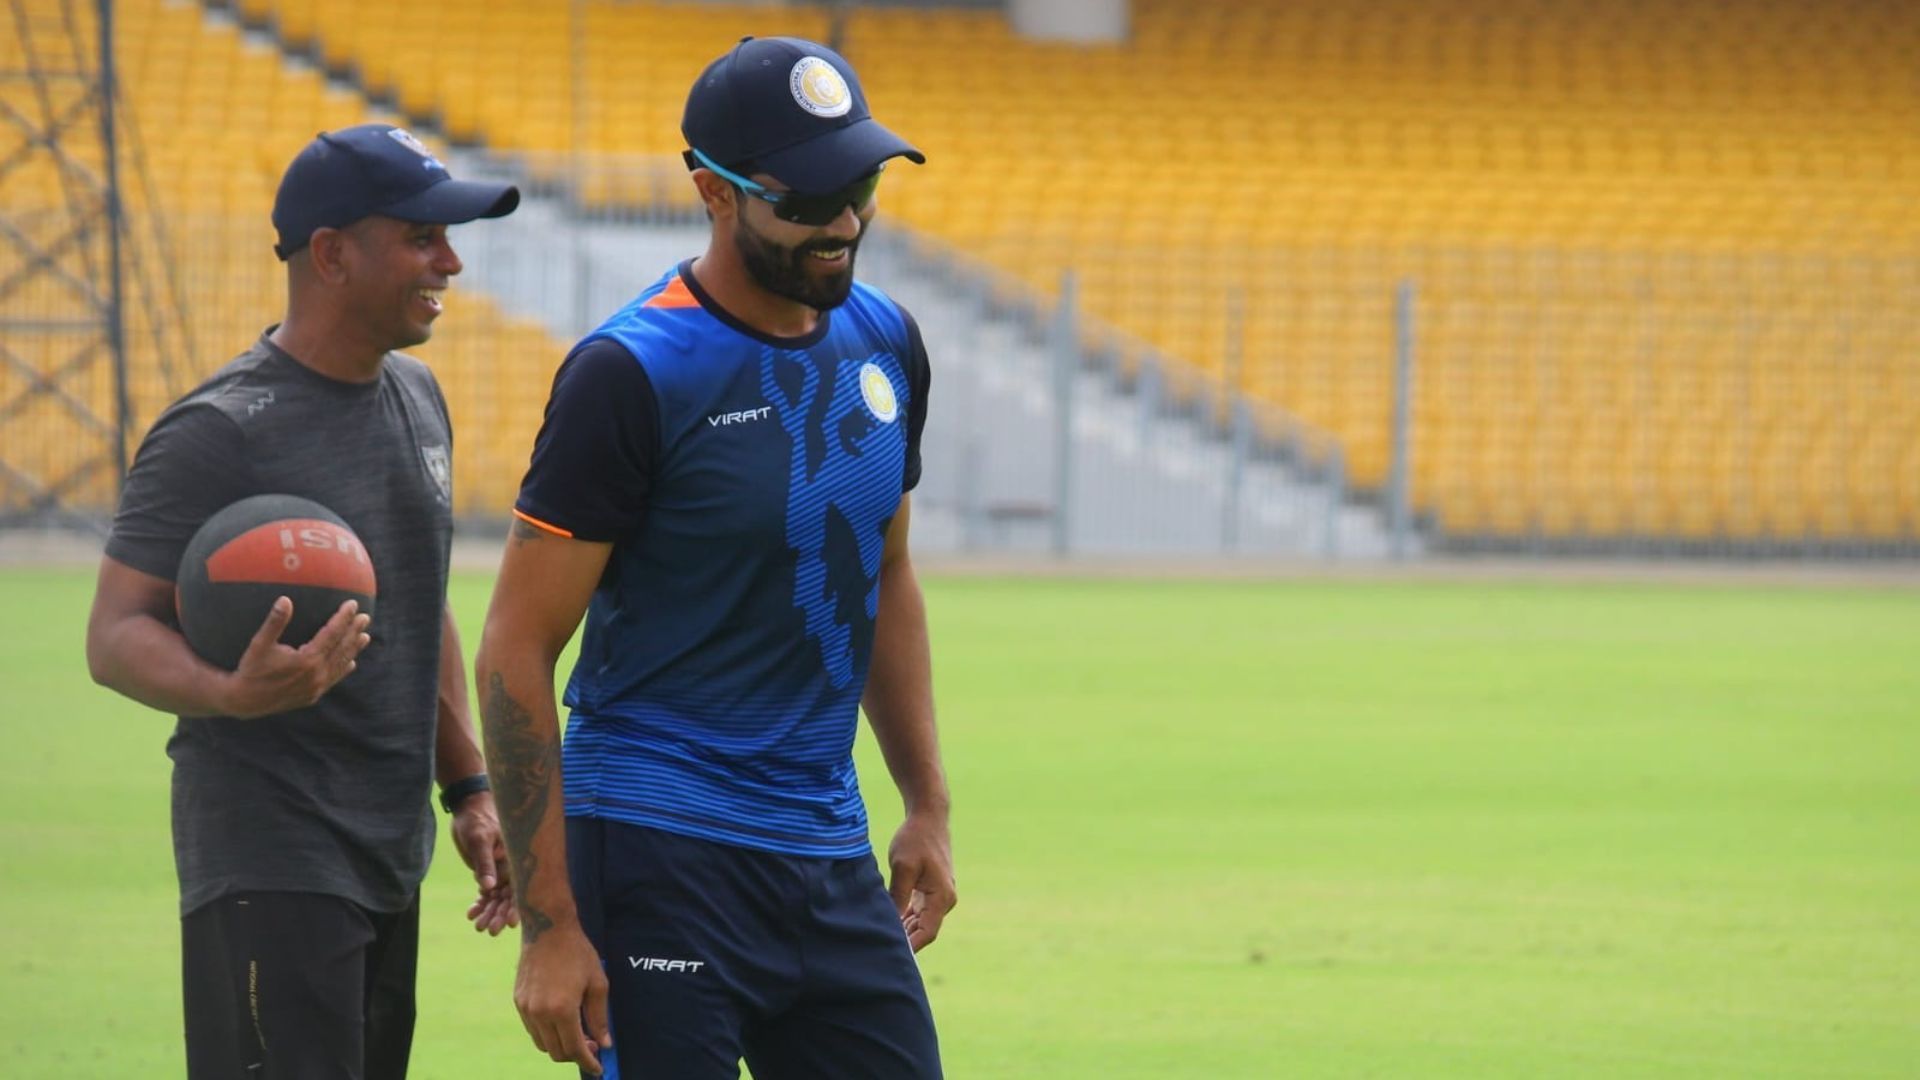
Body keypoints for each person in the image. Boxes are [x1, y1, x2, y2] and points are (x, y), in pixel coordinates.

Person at [475, 35, 954, 1079]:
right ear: (713, 191)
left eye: (862, 184)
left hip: (826, 847)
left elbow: (883, 570)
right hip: (653, 846)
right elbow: (515, 646)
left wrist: (925, 802)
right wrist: (551, 926)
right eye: (807, 198)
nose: (843, 222)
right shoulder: (630, 374)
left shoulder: (887, 343)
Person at [85, 124, 521, 1079]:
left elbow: (419, 599)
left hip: (388, 854)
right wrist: (229, 689)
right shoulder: (216, 431)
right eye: (421, 238)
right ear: (330, 254)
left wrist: (471, 786)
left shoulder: (419, 397)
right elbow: (113, 636)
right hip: (268, 856)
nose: (450, 261)